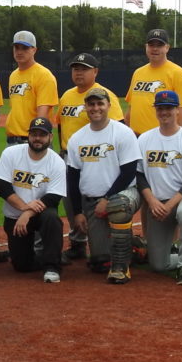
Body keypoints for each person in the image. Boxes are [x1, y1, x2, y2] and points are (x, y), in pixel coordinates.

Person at [66, 87, 141, 284]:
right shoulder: (77, 138)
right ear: (85, 107)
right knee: (99, 260)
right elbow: (72, 179)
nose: (96, 108)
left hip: (123, 194)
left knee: (117, 207)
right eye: (91, 104)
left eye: (100, 103)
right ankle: (133, 245)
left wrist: (106, 199)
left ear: (109, 105)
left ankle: (121, 266)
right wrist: (78, 212)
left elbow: (129, 172)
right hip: (91, 202)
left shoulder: (123, 133)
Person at [54, 54, 124, 261]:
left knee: (95, 200)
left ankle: (113, 239)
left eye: (84, 68)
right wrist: (62, 149)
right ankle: (77, 243)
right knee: (71, 201)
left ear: (95, 71)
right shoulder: (66, 95)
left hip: (98, 157)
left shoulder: (105, 94)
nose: (78, 72)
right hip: (70, 155)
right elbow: (60, 125)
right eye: (75, 68)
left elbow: (119, 128)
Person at [135, 90, 182, 285]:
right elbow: (139, 174)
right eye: (160, 108)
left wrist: (169, 206)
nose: (164, 112)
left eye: (168, 108)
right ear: (155, 111)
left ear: (177, 110)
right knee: (158, 266)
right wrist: (151, 201)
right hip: (157, 203)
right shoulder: (144, 139)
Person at [0, 117, 67, 283]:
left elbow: (53, 197)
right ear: (28, 135)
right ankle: (51, 255)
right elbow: (1, 186)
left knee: (52, 218)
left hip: (40, 213)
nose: (37, 138)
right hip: (15, 215)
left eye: (42, 134)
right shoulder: (11, 154)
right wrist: (24, 207)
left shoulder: (56, 162)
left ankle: (52, 266)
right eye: (34, 134)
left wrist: (27, 213)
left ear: (50, 137)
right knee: (21, 266)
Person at [125, 28, 182, 134]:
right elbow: (132, 107)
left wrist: (179, 138)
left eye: (159, 45)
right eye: (151, 45)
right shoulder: (138, 73)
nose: (155, 49)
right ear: (146, 47)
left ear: (167, 48)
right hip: (137, 138)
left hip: (162, 138)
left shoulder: (177, 73)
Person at [5, 30, 58, 145]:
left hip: (33, 140)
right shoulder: (13, 75)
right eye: (16, 47)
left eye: (25, 48)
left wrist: (36, 138)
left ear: (34, 50)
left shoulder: (44, 75)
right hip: (12, 140)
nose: (19, 51)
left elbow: (42, 115)